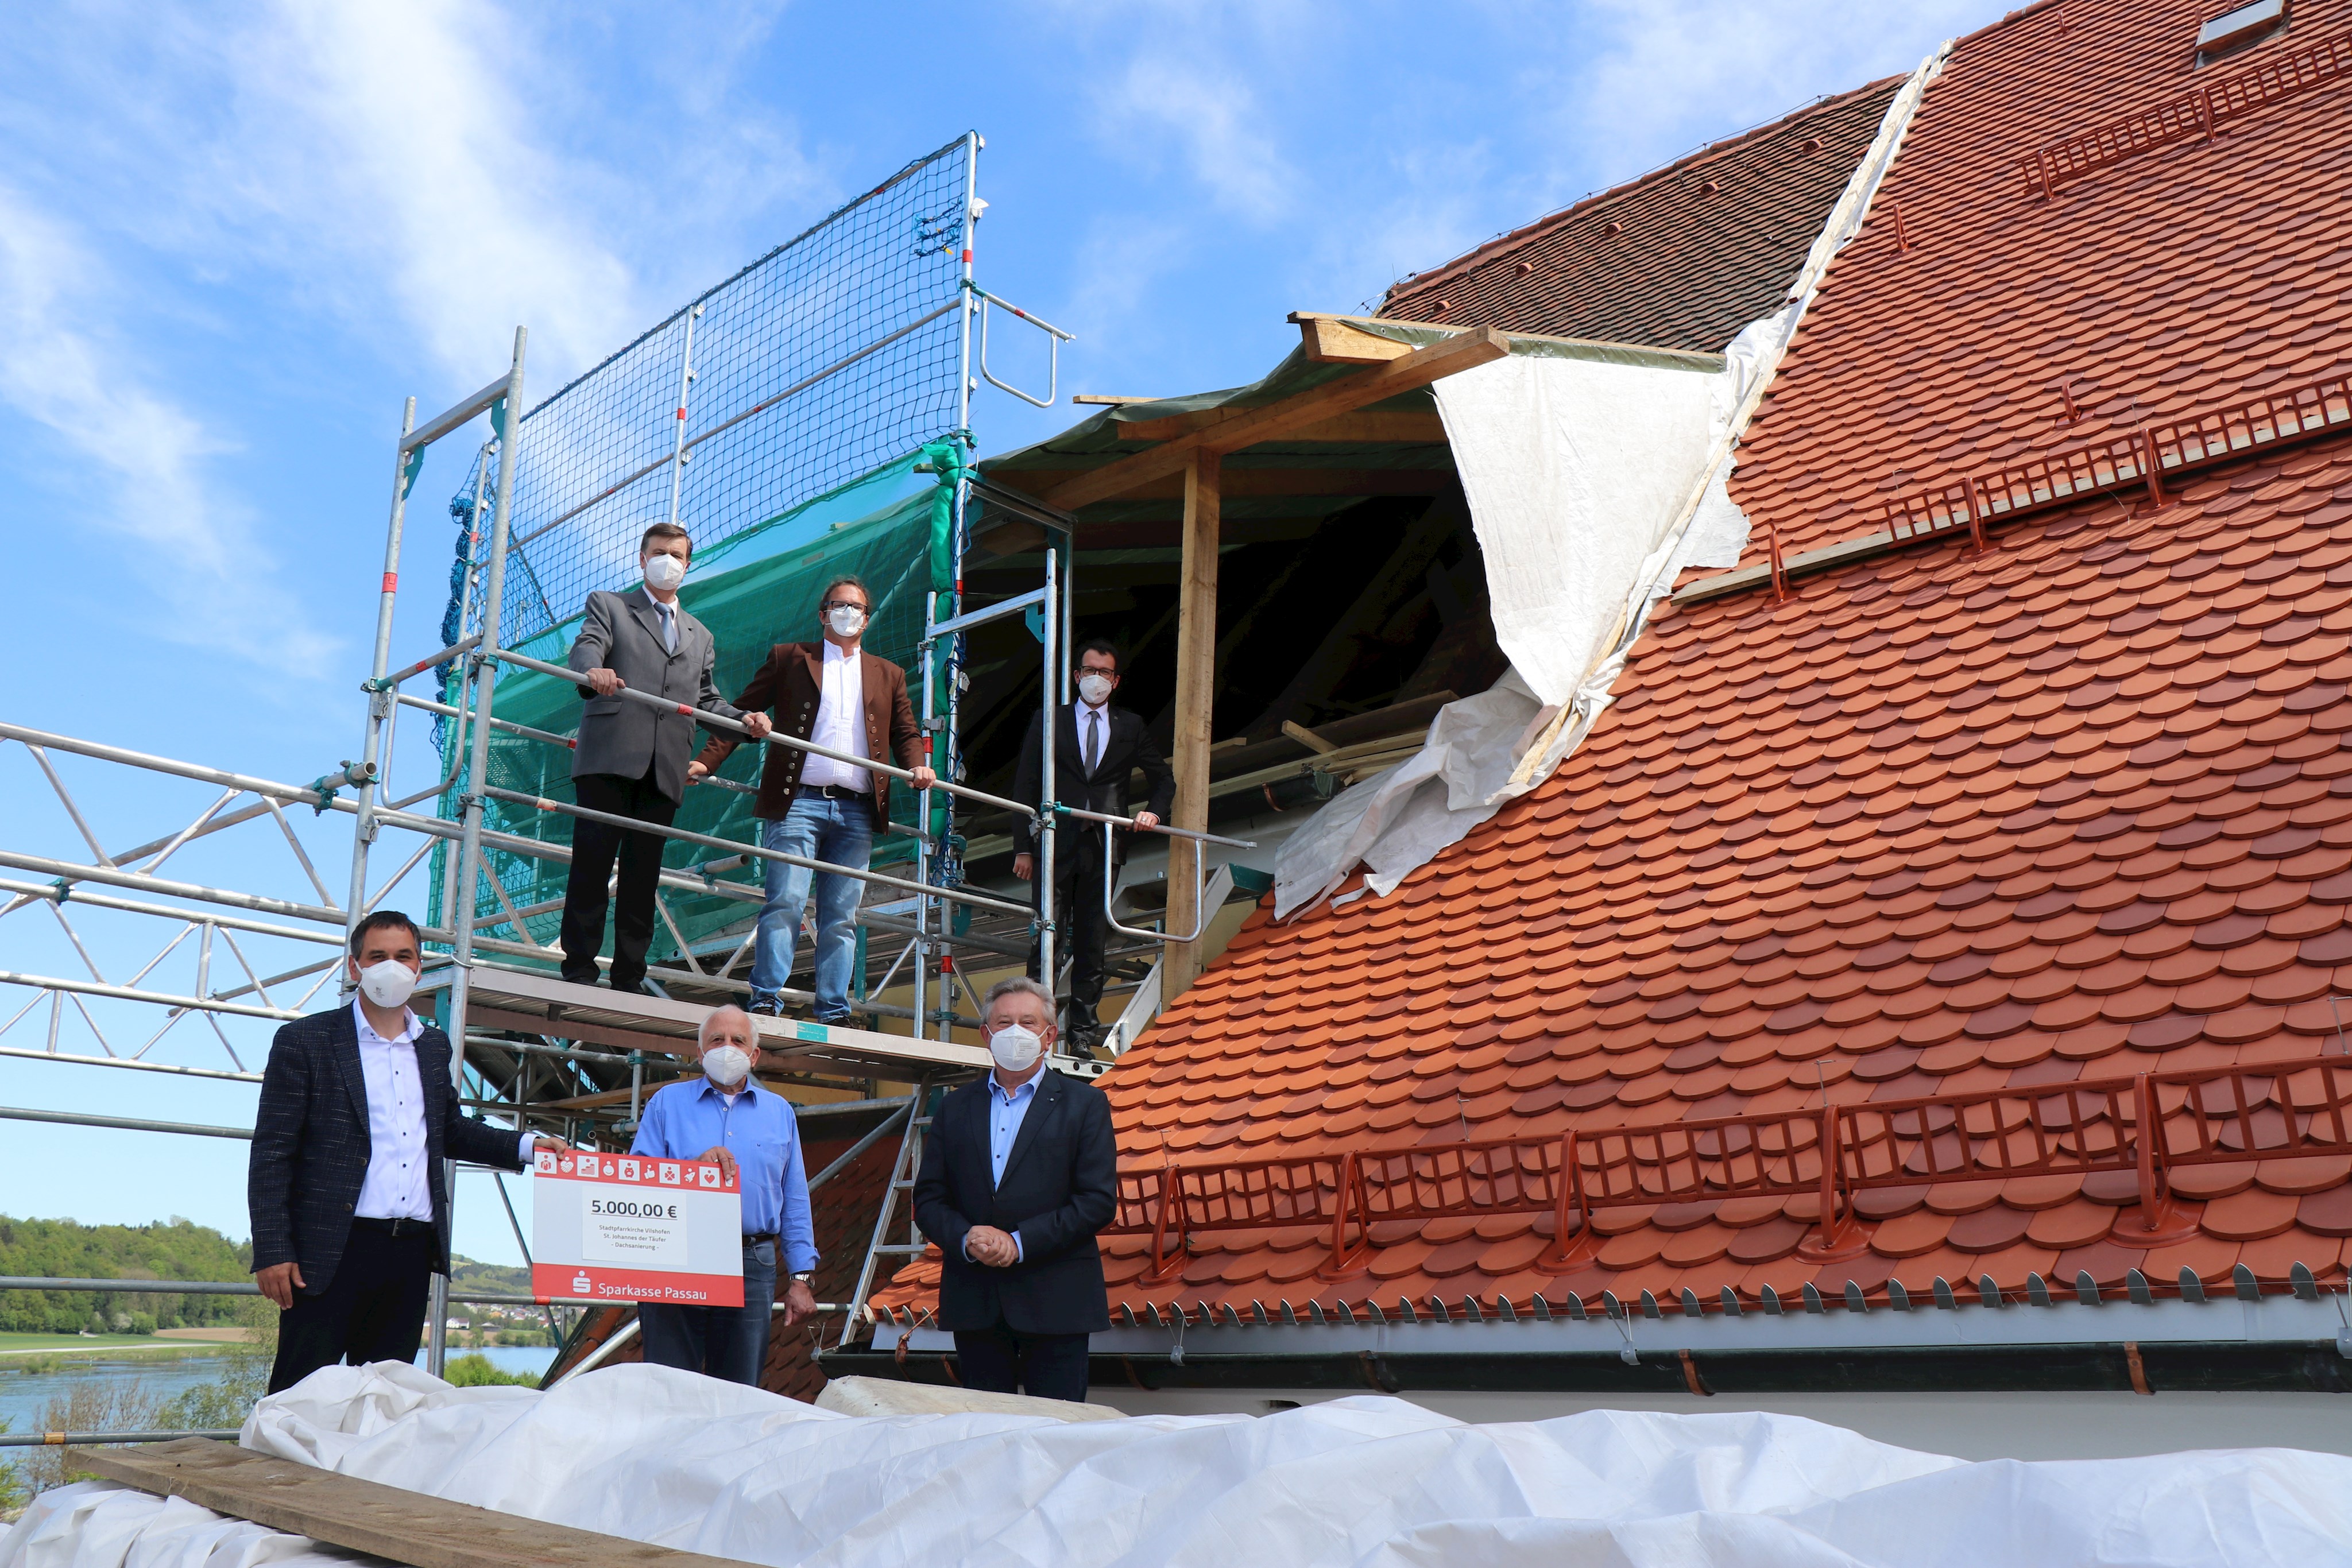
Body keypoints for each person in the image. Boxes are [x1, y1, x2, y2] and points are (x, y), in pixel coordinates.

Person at [249, 911, 567, 1393]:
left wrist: (527, 1145)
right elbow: (273, 1152)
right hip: (330, 1250)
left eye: (403, 956)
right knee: (301, 1397)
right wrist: (273, 1249)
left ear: (419, 967)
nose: (391, 967)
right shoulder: (305, 1041)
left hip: (410, 1252)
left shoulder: (433, 1046)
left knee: (386, 1400)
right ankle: (273, 1473)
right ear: (355, 966)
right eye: (378, 956)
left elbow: (451, 1129)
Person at [688, 574, 932, 1021]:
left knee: (842, 915)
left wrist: (918, 763)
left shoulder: (888, 673)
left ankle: (834, 1006)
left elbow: (905, 732)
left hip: (858, 807)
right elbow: (745, 712)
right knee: (785, 900)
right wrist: (706, 761)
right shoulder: (791, 658)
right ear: (822, 614)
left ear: (867, 619)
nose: (848, 613)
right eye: (839, 605)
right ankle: (766, 995)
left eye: (856, 607)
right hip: (798, 801)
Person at [560, 522, 770, 994]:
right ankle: (579, 969)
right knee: (592, 866)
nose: (668, 560)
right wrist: (593, 670)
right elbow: (587, 646)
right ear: (641, 558)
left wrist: (745, 721)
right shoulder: (610, 604)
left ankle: (630, 975)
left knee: (642, 878)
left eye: (676, 554)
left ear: (688, 563)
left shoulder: (700, 634)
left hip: (664, 768)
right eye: (659, 552)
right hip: (609, 756)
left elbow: (707, 700)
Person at [910, 976, 1116, 1402]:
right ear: (986, 1034)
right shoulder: (954, 1107)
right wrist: (966, 1237)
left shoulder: (1086, 1104)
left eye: (1028, 1021)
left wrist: (1018, 1243)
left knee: (1057, 1435)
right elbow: (929, 1198)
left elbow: (1096, 1201)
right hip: (976, 1301)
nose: (1016, 1031)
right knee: (986, 1437)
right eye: (1004, 1022)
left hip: (1057, 1302)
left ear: (1050, 1034)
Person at [628, 1004, 818, 1384]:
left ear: (754, 1054)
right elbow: (637, 1183)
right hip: (677, 1257)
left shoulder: (780, 1112)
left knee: (738, 1392)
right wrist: (693, 1171)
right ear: (700, 1053)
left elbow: (794, 1198)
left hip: (752, 1262)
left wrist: (801, 1277)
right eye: (717, 1039)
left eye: (738, 1040)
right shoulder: (666, 1103)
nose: (727, 1047)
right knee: (667, 1386)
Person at [1011, 639, 1174, 1055]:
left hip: (1104, 847)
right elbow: (1026, 784)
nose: (1096, 679)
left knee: (1092, 943)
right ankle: (1034, 1028)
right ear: (1076, 675)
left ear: (1115, 680)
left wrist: (1152, 813)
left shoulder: (1130, 725)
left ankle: (1081, 1035)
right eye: (1090, 670)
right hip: (1052, 843)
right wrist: (1022, 848)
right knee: (1046, 937)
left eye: (1105, 672)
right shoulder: (1050, 719)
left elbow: (1163, 779)